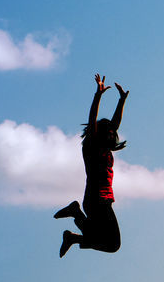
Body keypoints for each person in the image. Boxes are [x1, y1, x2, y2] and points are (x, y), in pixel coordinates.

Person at [55, 74, 128, 257]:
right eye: (109, 132)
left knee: (110, 244)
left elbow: (115, 124)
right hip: (96, 200)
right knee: (111, 244)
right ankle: (75, 216)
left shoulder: (105, 150)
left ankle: (73, 233)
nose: (113, 134)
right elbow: (93, 117)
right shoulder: (92, 147)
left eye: (113, 132)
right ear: (101, 133)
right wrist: (98, 95)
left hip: (103, 200)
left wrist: (121, 100)